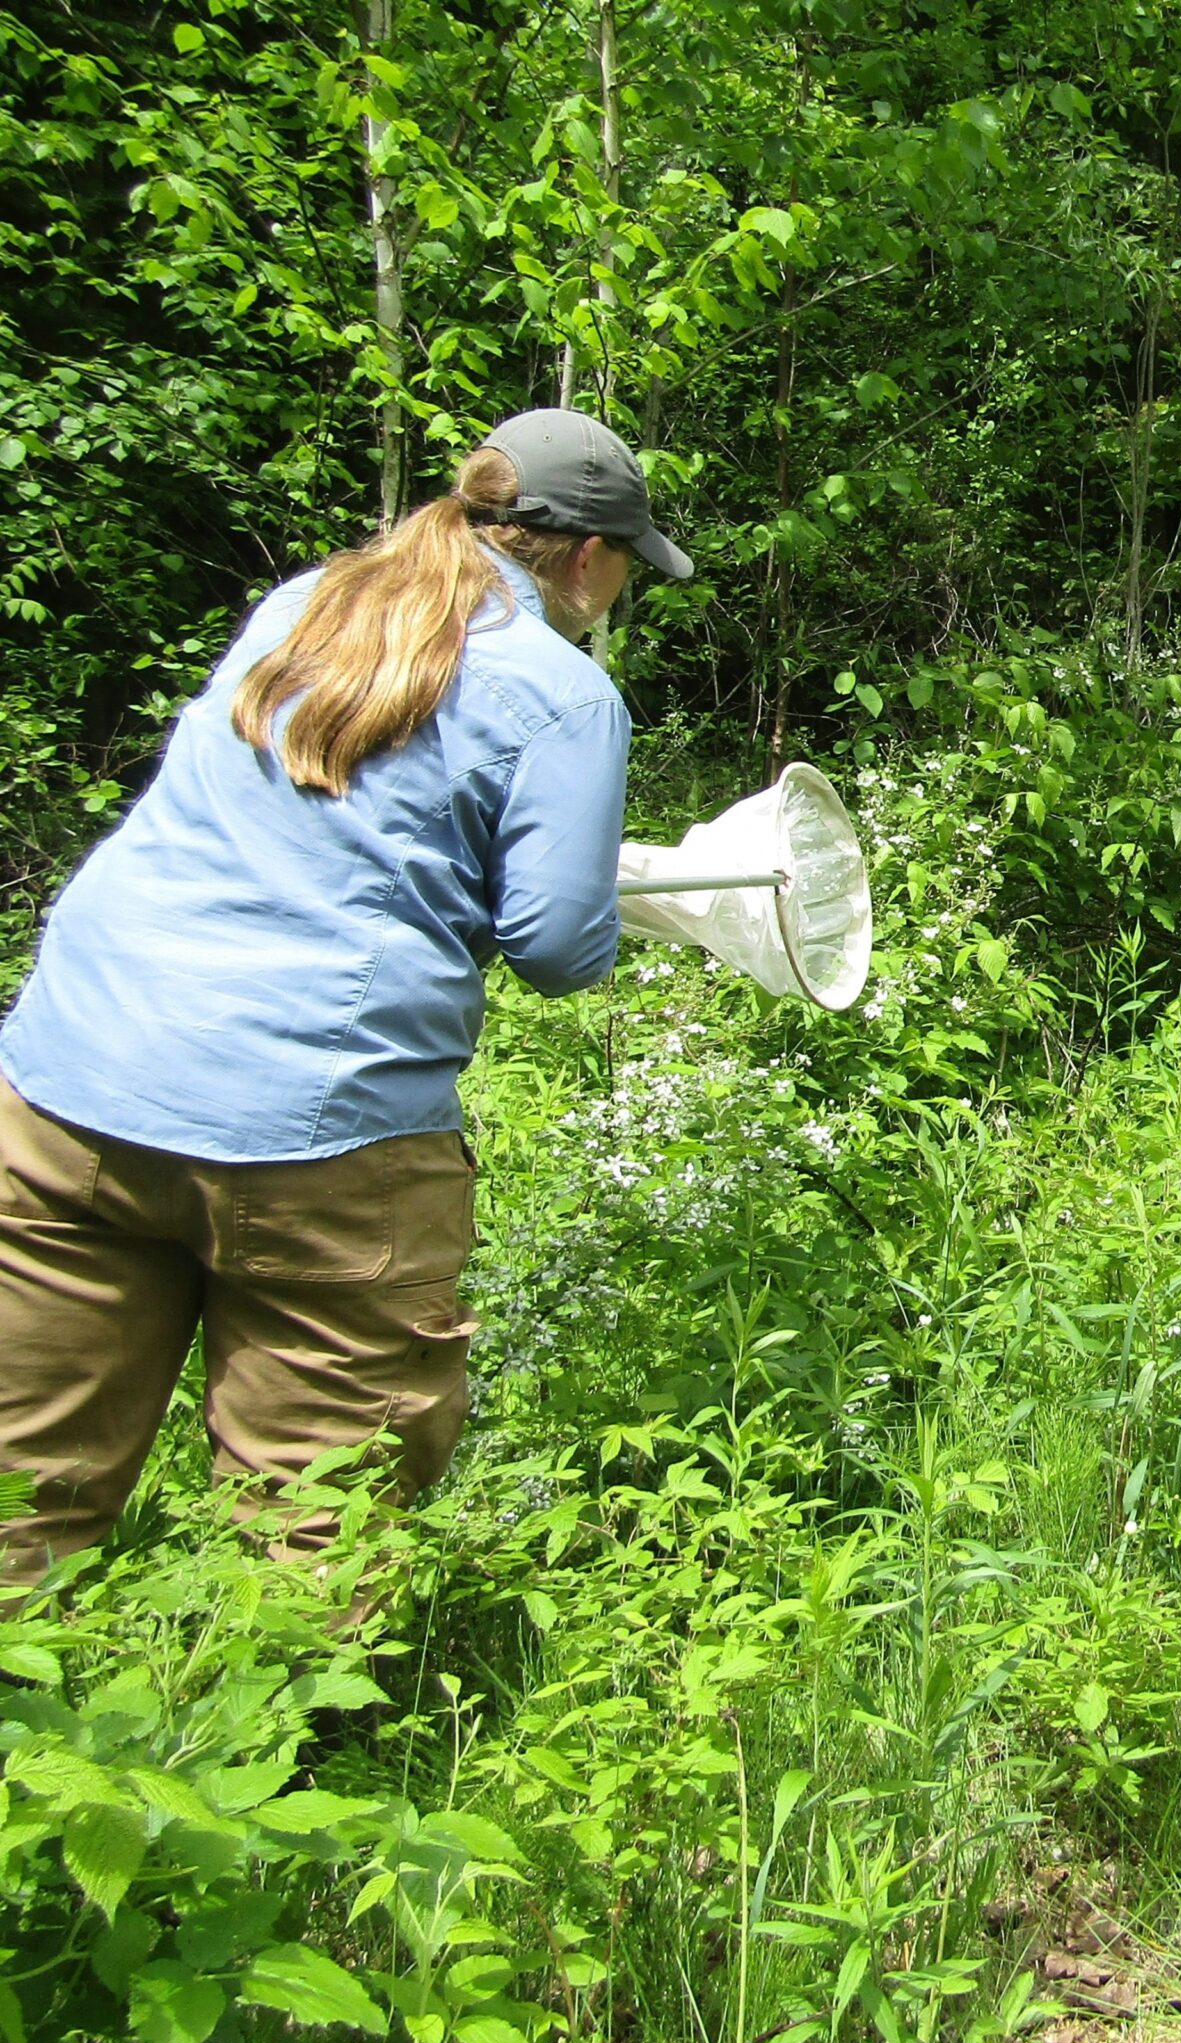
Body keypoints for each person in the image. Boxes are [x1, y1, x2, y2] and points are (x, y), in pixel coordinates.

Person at [0, 408, 691, 1594]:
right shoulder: (562, 693)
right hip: (316, 1131)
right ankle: (256, 1756)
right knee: (314, 1514)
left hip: (71, 1080)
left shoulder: (308, 603)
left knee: (21, 1473)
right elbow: (556, 950)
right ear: (587, 553)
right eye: (628, 559)